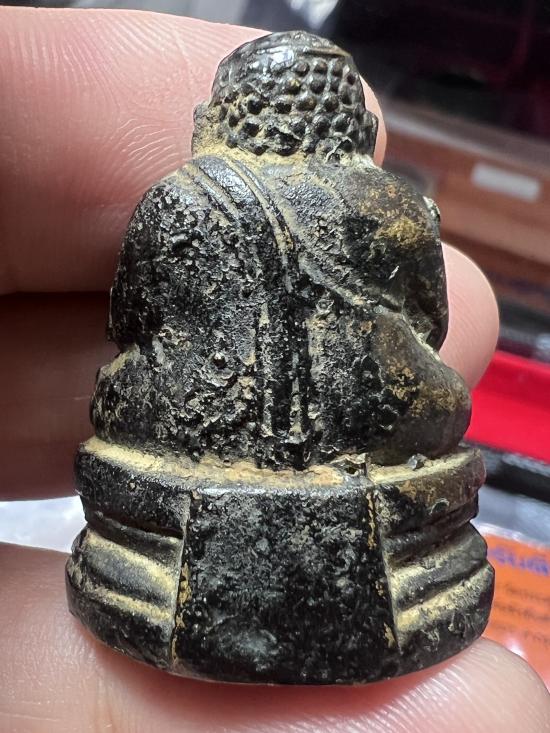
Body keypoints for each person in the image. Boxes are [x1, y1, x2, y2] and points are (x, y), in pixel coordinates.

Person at [0, 6, 548, 731]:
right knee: (438, 392)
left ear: (222, 116)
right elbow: (430, 326)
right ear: (352, 123)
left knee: (118, 389)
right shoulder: (399, 206)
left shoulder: (175, 199)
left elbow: (131, 324)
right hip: (370, 420)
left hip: (195, 420)